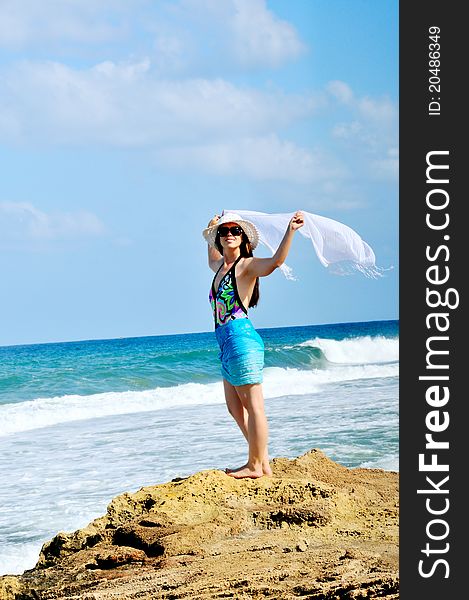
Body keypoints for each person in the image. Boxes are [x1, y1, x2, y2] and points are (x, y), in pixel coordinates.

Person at [203, 210, 305, 478]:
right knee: (234, 407)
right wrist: (210, 229)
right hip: (225, 341)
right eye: (224, 232)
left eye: (235, 231)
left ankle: (255, 465)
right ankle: (261, 460)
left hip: (241, 338)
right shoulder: (220, 268)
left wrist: (290, 232)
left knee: (254, 406)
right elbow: (211, 257)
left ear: (243, 238)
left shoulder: (246, 266)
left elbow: (275, 262)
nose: (229, 235)